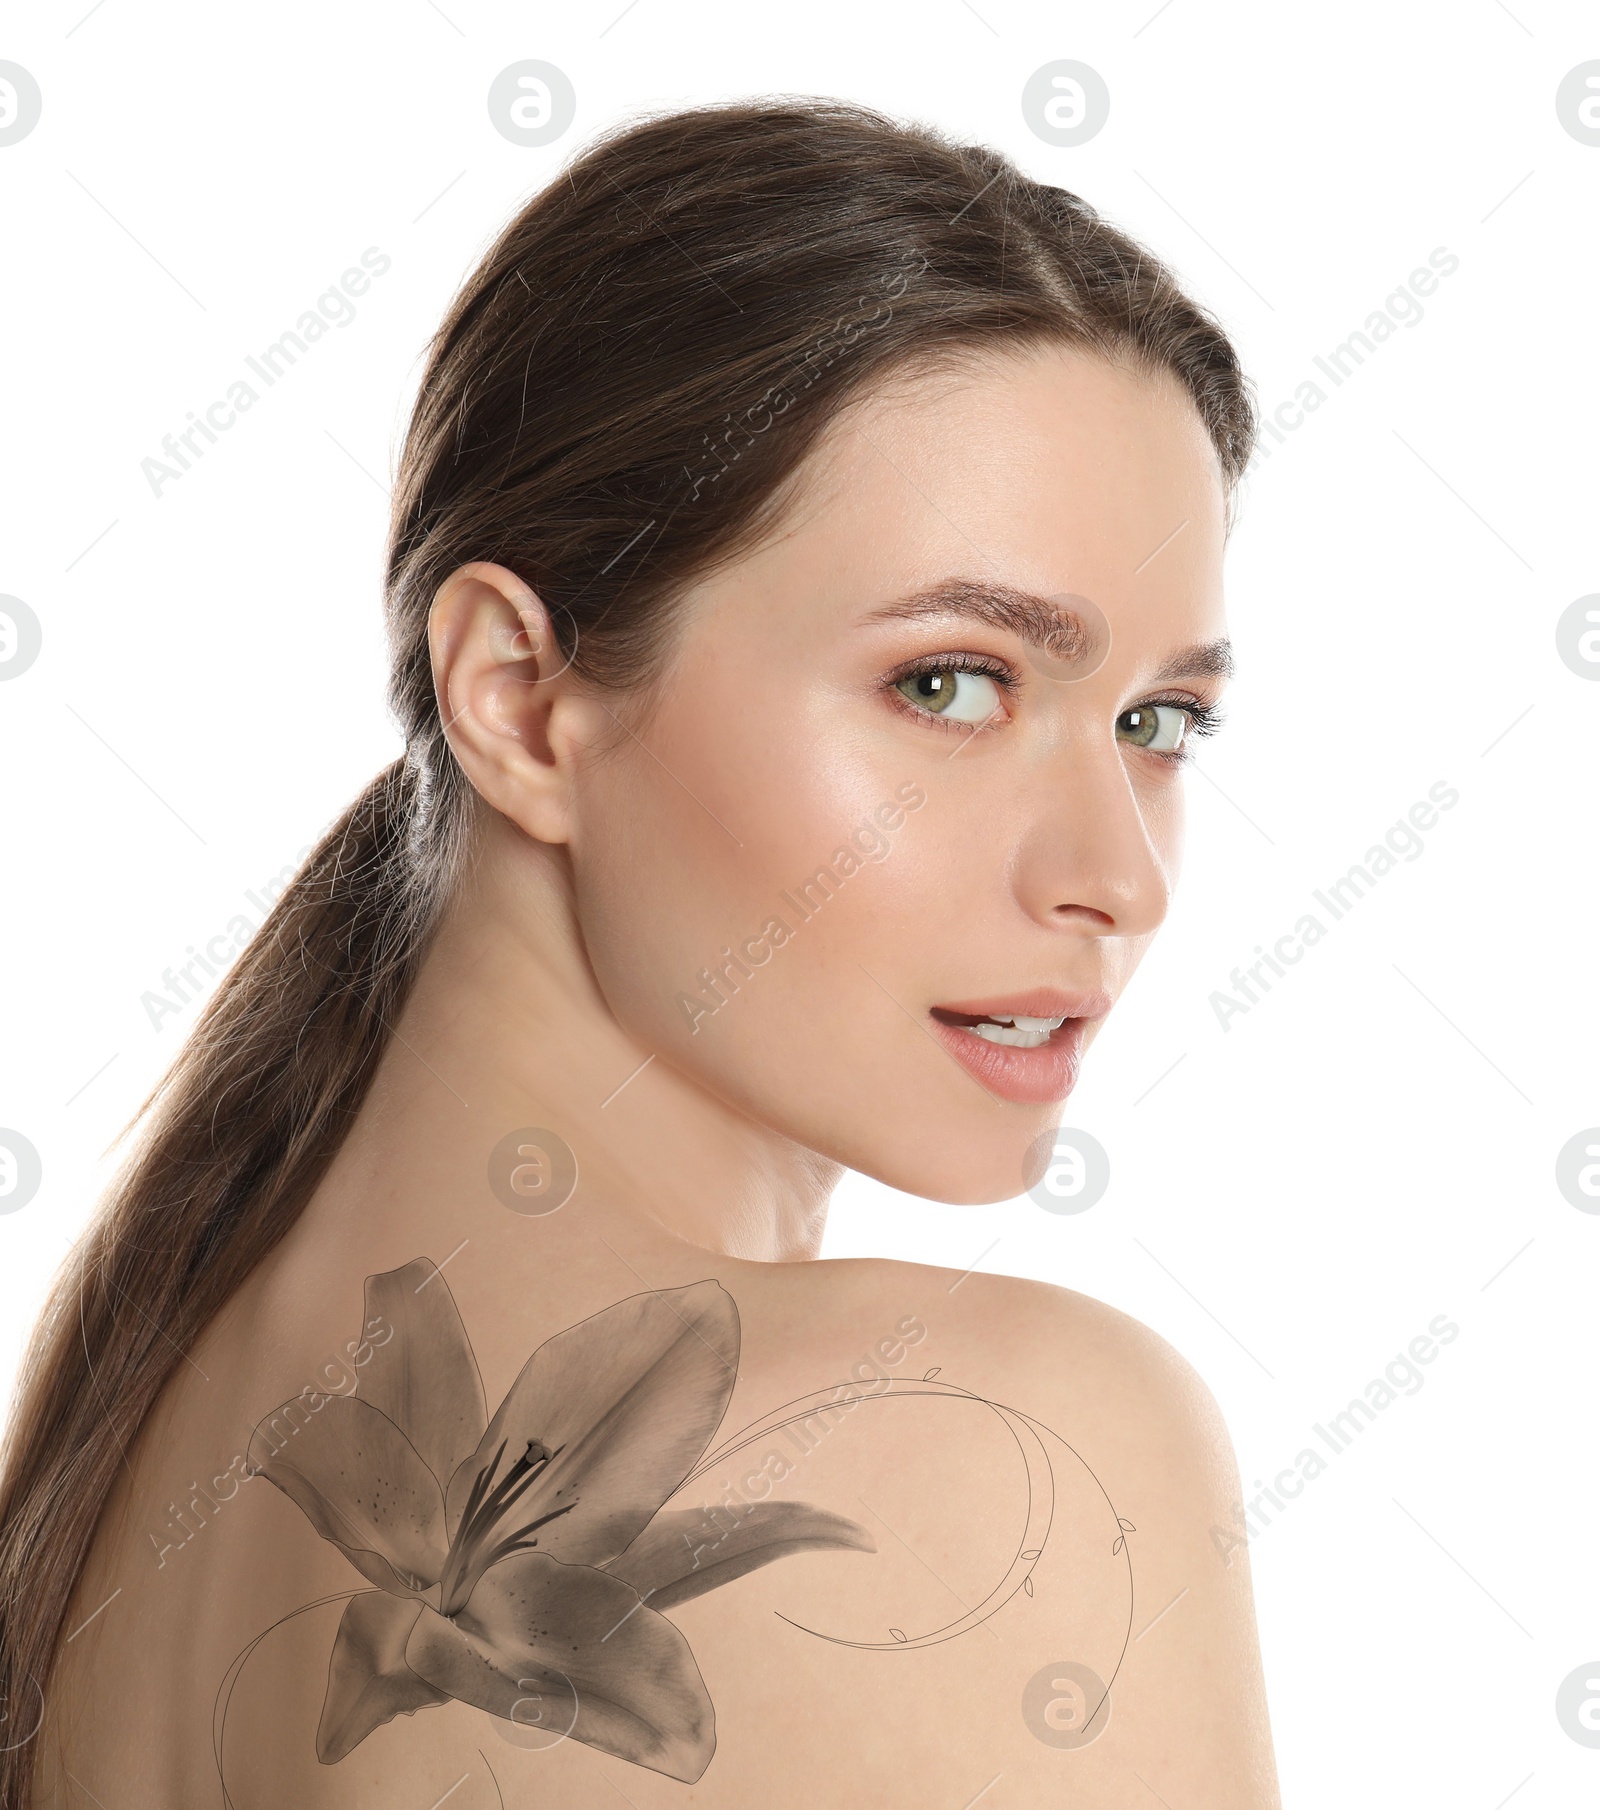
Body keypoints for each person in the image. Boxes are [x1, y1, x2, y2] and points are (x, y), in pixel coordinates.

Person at [0, 99, 1279, 1808]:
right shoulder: (1020, 1452)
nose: (1119, 871)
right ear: (520, 700)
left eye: (1156, 717)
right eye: (949, 682)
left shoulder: (132, 1454)